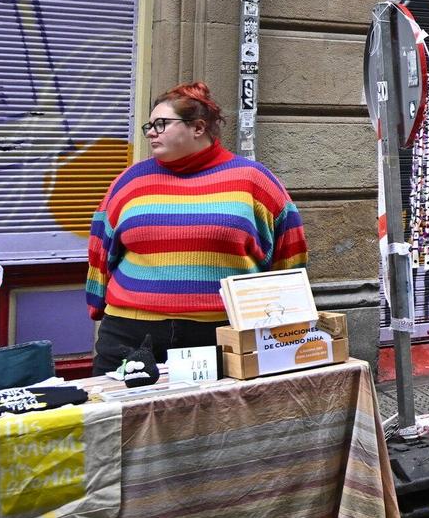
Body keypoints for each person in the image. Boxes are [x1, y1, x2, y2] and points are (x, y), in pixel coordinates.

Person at [85, 82, 308, 374]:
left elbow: (289, 251)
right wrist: (97, 304)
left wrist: (282, 319)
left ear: (198, 127)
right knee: (127, 418)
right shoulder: (130, 182)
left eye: (161, 124)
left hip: (223, 335)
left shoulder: (253, 180)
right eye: (149, 125)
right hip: (132, 333)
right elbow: (101, 249)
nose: (151, 132)